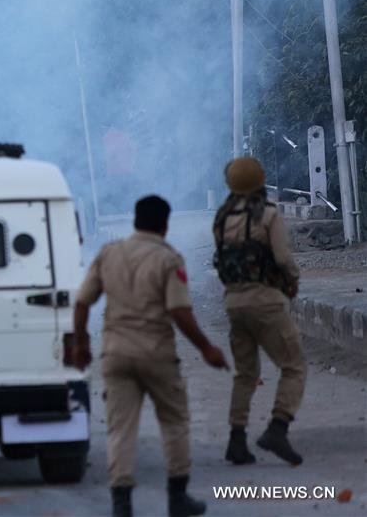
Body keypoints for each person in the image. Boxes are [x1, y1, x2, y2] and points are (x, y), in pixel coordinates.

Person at [73, 195, 228, 517]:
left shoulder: (109, 253)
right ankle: (177, 498)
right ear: (164, 223)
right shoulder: (168, 259)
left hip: (115, 354)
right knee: (174, 422)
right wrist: (206, 348)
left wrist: (81, 343)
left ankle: (122, 503)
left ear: (136, 221)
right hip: (155, 353)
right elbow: (179, 311)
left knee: (120, 427)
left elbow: (82, 302)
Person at [213, 157, 306, 466]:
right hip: (266, 301)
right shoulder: (268, 214)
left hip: (234, 302)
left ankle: (236, 441)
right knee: (293, 366)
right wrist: (293, 280)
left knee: (245, 374)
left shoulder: (223, 217)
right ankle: (278, 428)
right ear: (259, 181)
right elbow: (282, 258)